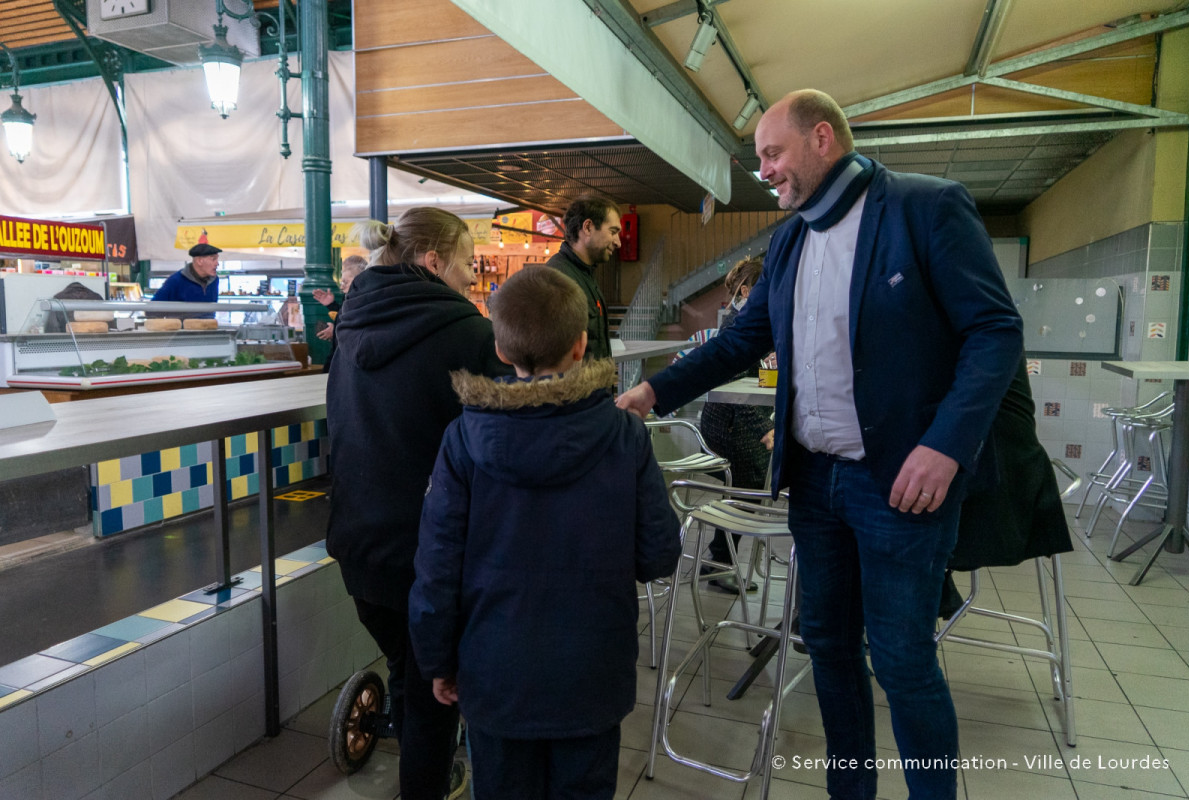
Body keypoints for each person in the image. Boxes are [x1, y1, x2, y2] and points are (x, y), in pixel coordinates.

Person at [617, 89, 1023, 800]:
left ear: (823, 139)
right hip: (814, 481)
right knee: (828, 648)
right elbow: (744, 341)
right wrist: (653, 393)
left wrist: (947, 444)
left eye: (773, 154)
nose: (765, 170)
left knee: (901, 661)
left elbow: (994, 332)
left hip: (900, 480)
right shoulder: (791, 239)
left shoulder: (925, 208)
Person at [409, 266, 680, 800]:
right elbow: (659, 554)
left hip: (494, 674)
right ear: (582, 346)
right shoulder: (625, 437)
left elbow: (436, 566)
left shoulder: (464, 439)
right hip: (592, 676)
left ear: (501, 348)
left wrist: (438, 659)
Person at [325, 208, 511, 800]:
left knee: (409, 667)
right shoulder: (471, 335)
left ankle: (420, 767)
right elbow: (496, 448)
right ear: (433, 260)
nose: (472, 274)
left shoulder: (352, 324)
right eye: (466, 261)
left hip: (358, 548)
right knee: (434, 686)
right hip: (429, 555)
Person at [697, 257, 774, 594]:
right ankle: (718, 562)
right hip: (725, 425)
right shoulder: (737, 326)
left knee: (753, 477)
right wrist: (764, 430)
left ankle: (718, 562)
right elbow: (731, 394)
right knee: (750, 478)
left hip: (731, 420)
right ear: (746, 290)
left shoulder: (743, 321)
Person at [545, 195, 621, 360]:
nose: (618, 242)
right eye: (613, 232)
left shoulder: (584, 275)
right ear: (588, 228)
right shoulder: (559, 280)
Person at [314, 254, 367, 372]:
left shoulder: (361, 303)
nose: (342, 287)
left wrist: (336, 331)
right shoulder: (349, 300)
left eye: (345, 282)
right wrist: (331, 305)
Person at [153, 242, 221, 304]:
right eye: (213, 259)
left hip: (209, 318)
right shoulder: (175, 281)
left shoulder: (214, 280)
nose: (217, 263)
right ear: (200, 261)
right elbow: (153, 308)